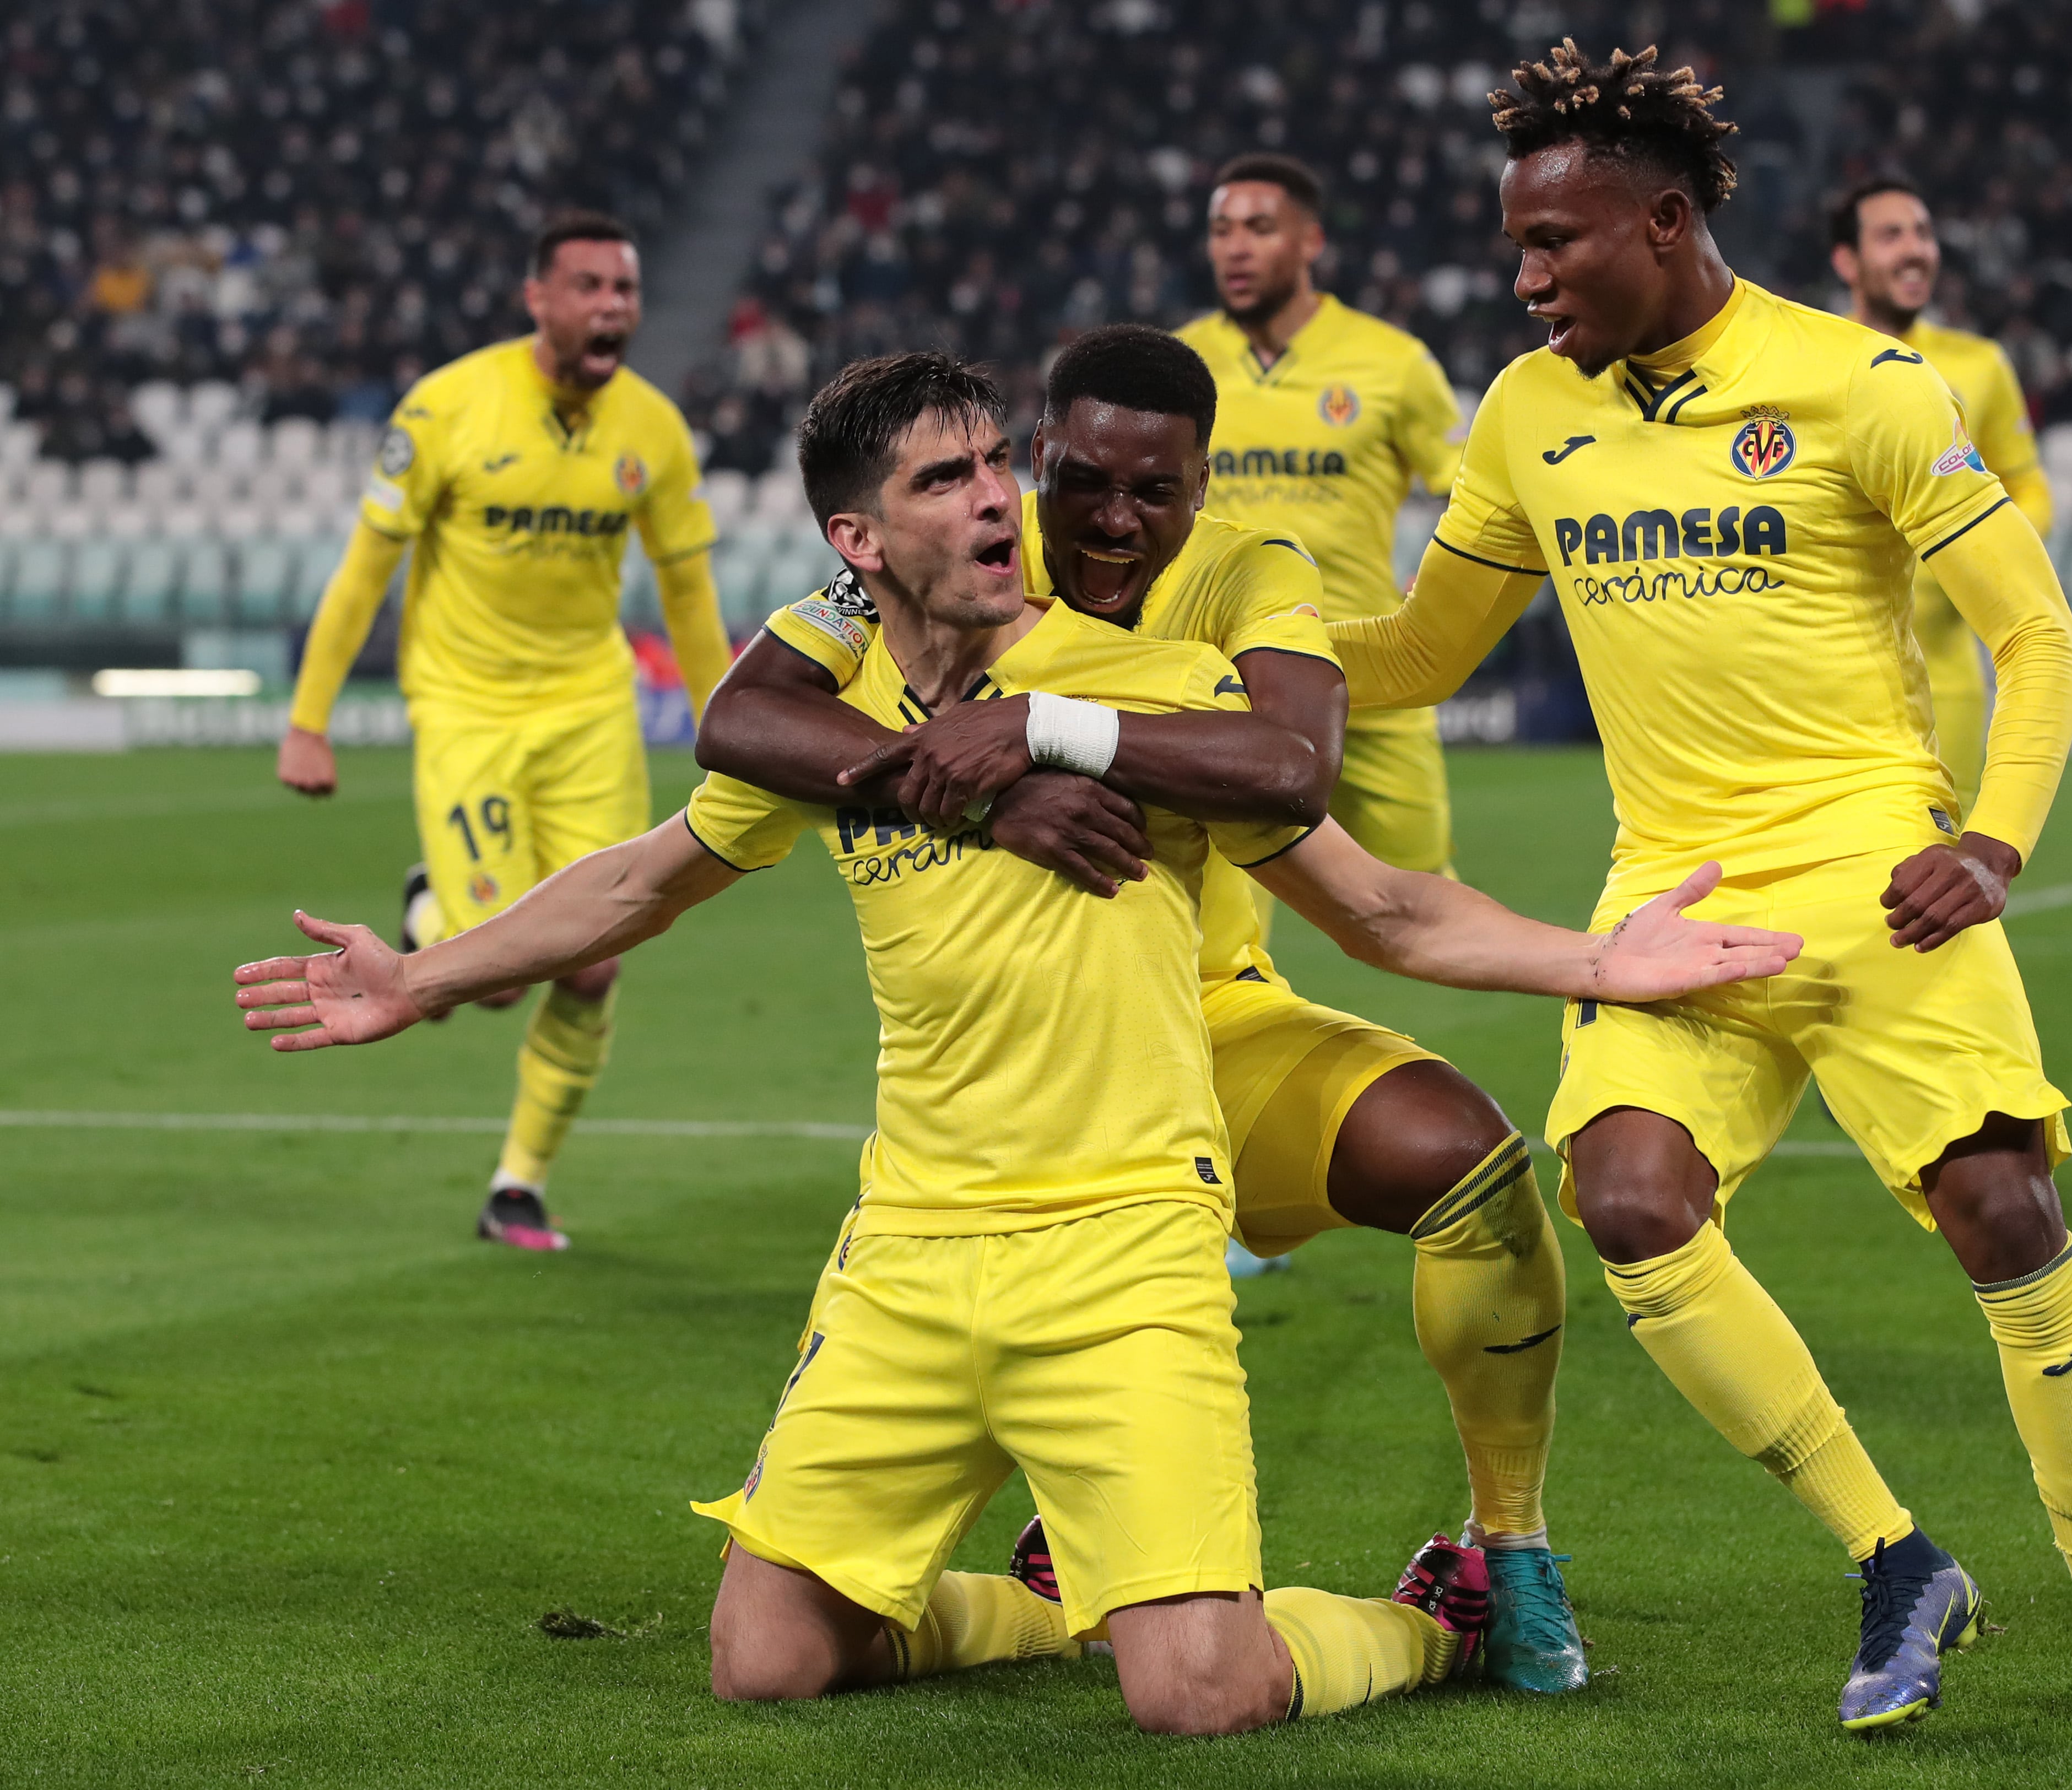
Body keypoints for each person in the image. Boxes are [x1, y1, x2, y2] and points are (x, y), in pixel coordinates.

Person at [234, 351, 1801, 1730]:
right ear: (857, 545)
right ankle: (1058, 1606)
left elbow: (1381, 912)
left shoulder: (1148, 692)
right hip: (911, 1244)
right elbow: (642, 880)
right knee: (764, 1660)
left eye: (997, 461)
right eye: (944, 478)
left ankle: (1427, 1624)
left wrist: (1605, 958)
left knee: (1200, 1696)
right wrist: (423, 976)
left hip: (1123, 1241)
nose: (998, 499)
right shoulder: (831, 711)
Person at [1322, 41, 2072, 1746]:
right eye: (1515, 245)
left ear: (1663, 223)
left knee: (2003, 1217)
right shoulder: (1529, 415)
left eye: (1555, 245)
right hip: (1672, 892)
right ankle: (1895, 1559)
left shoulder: (1861, 386)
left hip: (1882, 872)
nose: (1522, 280)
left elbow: (2034, 638)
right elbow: (1424, 652)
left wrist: (1995, 840)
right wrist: (1228, 658)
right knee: (1632, 1201)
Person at [700, 324, 1578, 1692]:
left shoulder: (1231, 595)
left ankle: (1491, 1559)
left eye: (1155, 493)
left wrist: (1046, 733)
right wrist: (978, 783)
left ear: (1200, 485)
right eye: (1073, 483)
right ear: (1038, 464)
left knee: (1459, 1158)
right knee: (762, 1664)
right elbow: (734, 726)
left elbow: (1306, 786)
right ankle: (1063, 1591)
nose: (1111, 520)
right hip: (961, 1170)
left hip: (1193, 1037)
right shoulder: (933, 580)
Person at [274, 211, 733, 1253]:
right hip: (468, 711)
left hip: (587, 712)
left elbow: (689, 591)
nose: (612, 306)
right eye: (588, 286)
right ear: (538, 298)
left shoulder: (651, 428)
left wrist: (724, 720)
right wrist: (308, 720)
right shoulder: (447, 407)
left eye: (624, 288)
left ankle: (516, 1183)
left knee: (598, 955)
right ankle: (430, 904)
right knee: (497, 975)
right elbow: (364, 571)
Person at [1177, 155, 1469, 926]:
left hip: (1362, 665)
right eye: (1220, 230)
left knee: (1423, 897)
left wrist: (1446, 583)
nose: (1234, 247)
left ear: (1310, 242)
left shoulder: (1392, 363)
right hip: (1217, 675)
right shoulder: (1181, 365)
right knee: (1211, 925)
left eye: (1258, 228)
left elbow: (1471, 488)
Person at [1830, 180, 2056, 813]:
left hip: (1946, 678)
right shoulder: (1812, 363)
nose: (1916, 250)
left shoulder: (1981, 364)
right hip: (1829, 677)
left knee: (1943, 876)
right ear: (1846, 261)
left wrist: (1990, 550)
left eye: (1924, 233)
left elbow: (2028, 483)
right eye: (1891, 234)